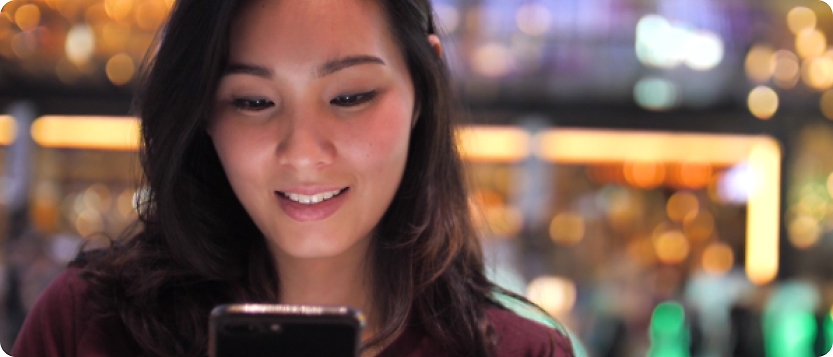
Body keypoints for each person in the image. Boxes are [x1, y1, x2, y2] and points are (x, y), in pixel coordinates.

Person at [12, 0, 579, 356]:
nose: (303, 153)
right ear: (205, 112)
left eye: (351, 96)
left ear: (423, 87)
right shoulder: (87, 327)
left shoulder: (522, 352)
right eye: (255, 101)